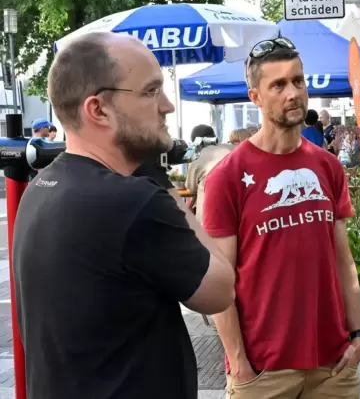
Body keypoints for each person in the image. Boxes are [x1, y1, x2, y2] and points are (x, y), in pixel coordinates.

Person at [12, 32, 236, 399]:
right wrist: (157, 178)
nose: (167, 106)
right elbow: (220, 290)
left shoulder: (42, 188)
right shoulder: (134, 200)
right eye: (150, 91)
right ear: (98, 109)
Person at [203, 37, 360, 398]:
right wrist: (240, 364)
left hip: (333, 367)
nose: (293, 93)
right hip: (263, 373)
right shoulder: (227, 177)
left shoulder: (327, 166)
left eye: (298, 80)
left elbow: (343, 261)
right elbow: (221, 284)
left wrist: (358, 335)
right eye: (278, 85)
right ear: (255, 97)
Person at [186, 125, 251, 223]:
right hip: (241, 214)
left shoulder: (197, 156)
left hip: (210, 219)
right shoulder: (235, 149)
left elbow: (191, 187)